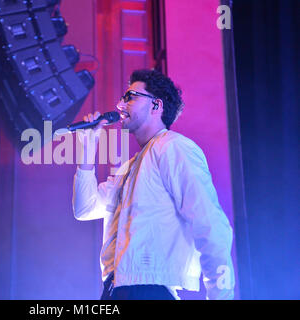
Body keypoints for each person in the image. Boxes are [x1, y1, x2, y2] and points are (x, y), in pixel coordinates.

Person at [72, 69, 235, 300]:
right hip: (114, 291)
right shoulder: (127, 169)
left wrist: (220, 296)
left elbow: (209, 222)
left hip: (149, 290)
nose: (119, 105)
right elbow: (84, 208)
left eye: (130, 97)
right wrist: (88, 147)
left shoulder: (174, 148)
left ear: (155, 106)